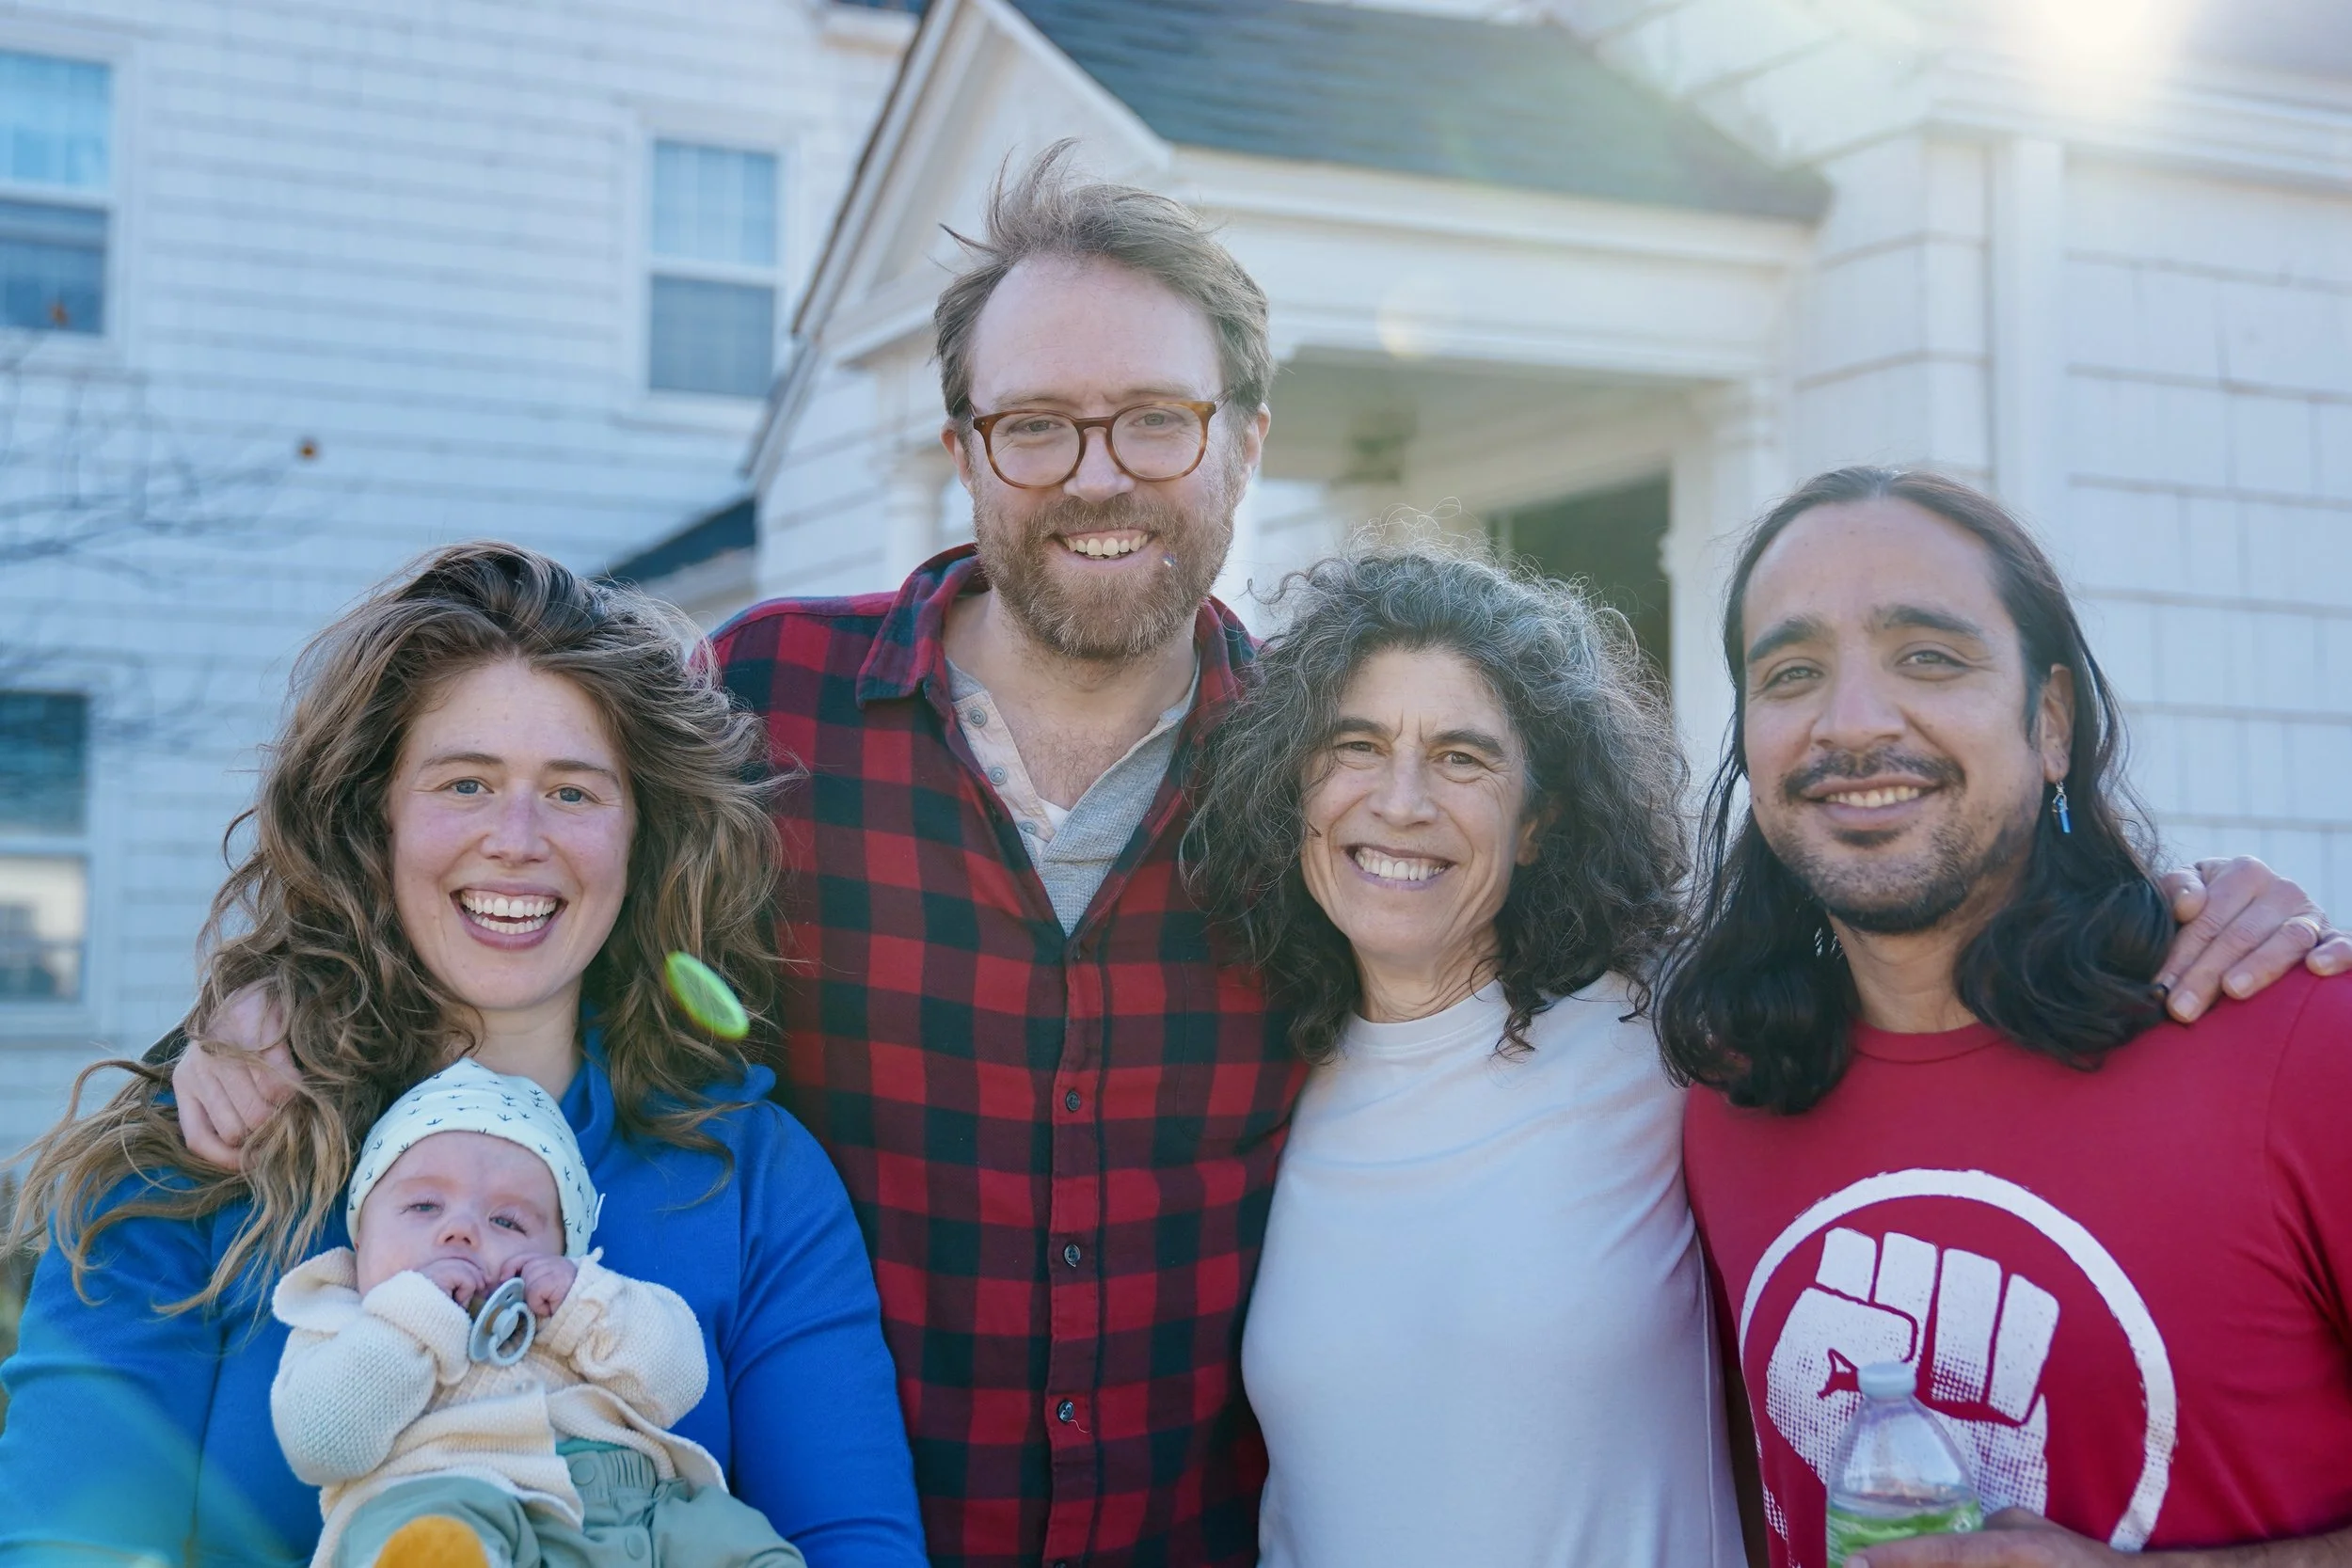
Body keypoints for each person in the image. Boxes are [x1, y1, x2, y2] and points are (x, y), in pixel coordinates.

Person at [164, 150, 2344, 1567]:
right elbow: (521, 875)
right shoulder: (769, 718)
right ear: (964, 449)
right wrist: (280, 999)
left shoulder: (1337, 799)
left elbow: (1833, 926)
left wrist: (2159, 885)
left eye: (1158, 419)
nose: (1098, 474)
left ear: (1244, 443)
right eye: (1038, 423)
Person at [0, 545, 926, 1567]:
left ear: (642, 833)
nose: (516, 837)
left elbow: (854, 1545)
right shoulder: (202, 1151)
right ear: (374, 817)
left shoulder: (752, 1178)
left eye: (573, 792)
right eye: (465, 782)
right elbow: (66, 1540)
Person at [1661, 467, 2352, 1568]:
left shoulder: (2298, 1042)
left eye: (1928, 657)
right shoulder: (1723, 1097)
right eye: (1790, 673)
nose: (1851, 722)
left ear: (2051, 720)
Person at [1182, 547, 1743, 1568]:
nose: (1399, 801)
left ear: (1538, 821)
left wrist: (2131, 932)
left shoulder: (1663, 1033)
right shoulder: (1268, 1072)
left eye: (1462, 756)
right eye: (1355, 744)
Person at [273, 1058, 803, 1568]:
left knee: (731, 1536)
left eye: (507, 1221)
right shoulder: (338, 1319)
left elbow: (678, 1381)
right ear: (360, 1237)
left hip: (634, 1507)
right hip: (446, 1497)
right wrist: (414, 1316)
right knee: (422, 1540)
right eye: (424, 1207)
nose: (461, 1231)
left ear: (559, 1252)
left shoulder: (568, 1312)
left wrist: (582, 1301)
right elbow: (321, 1445)